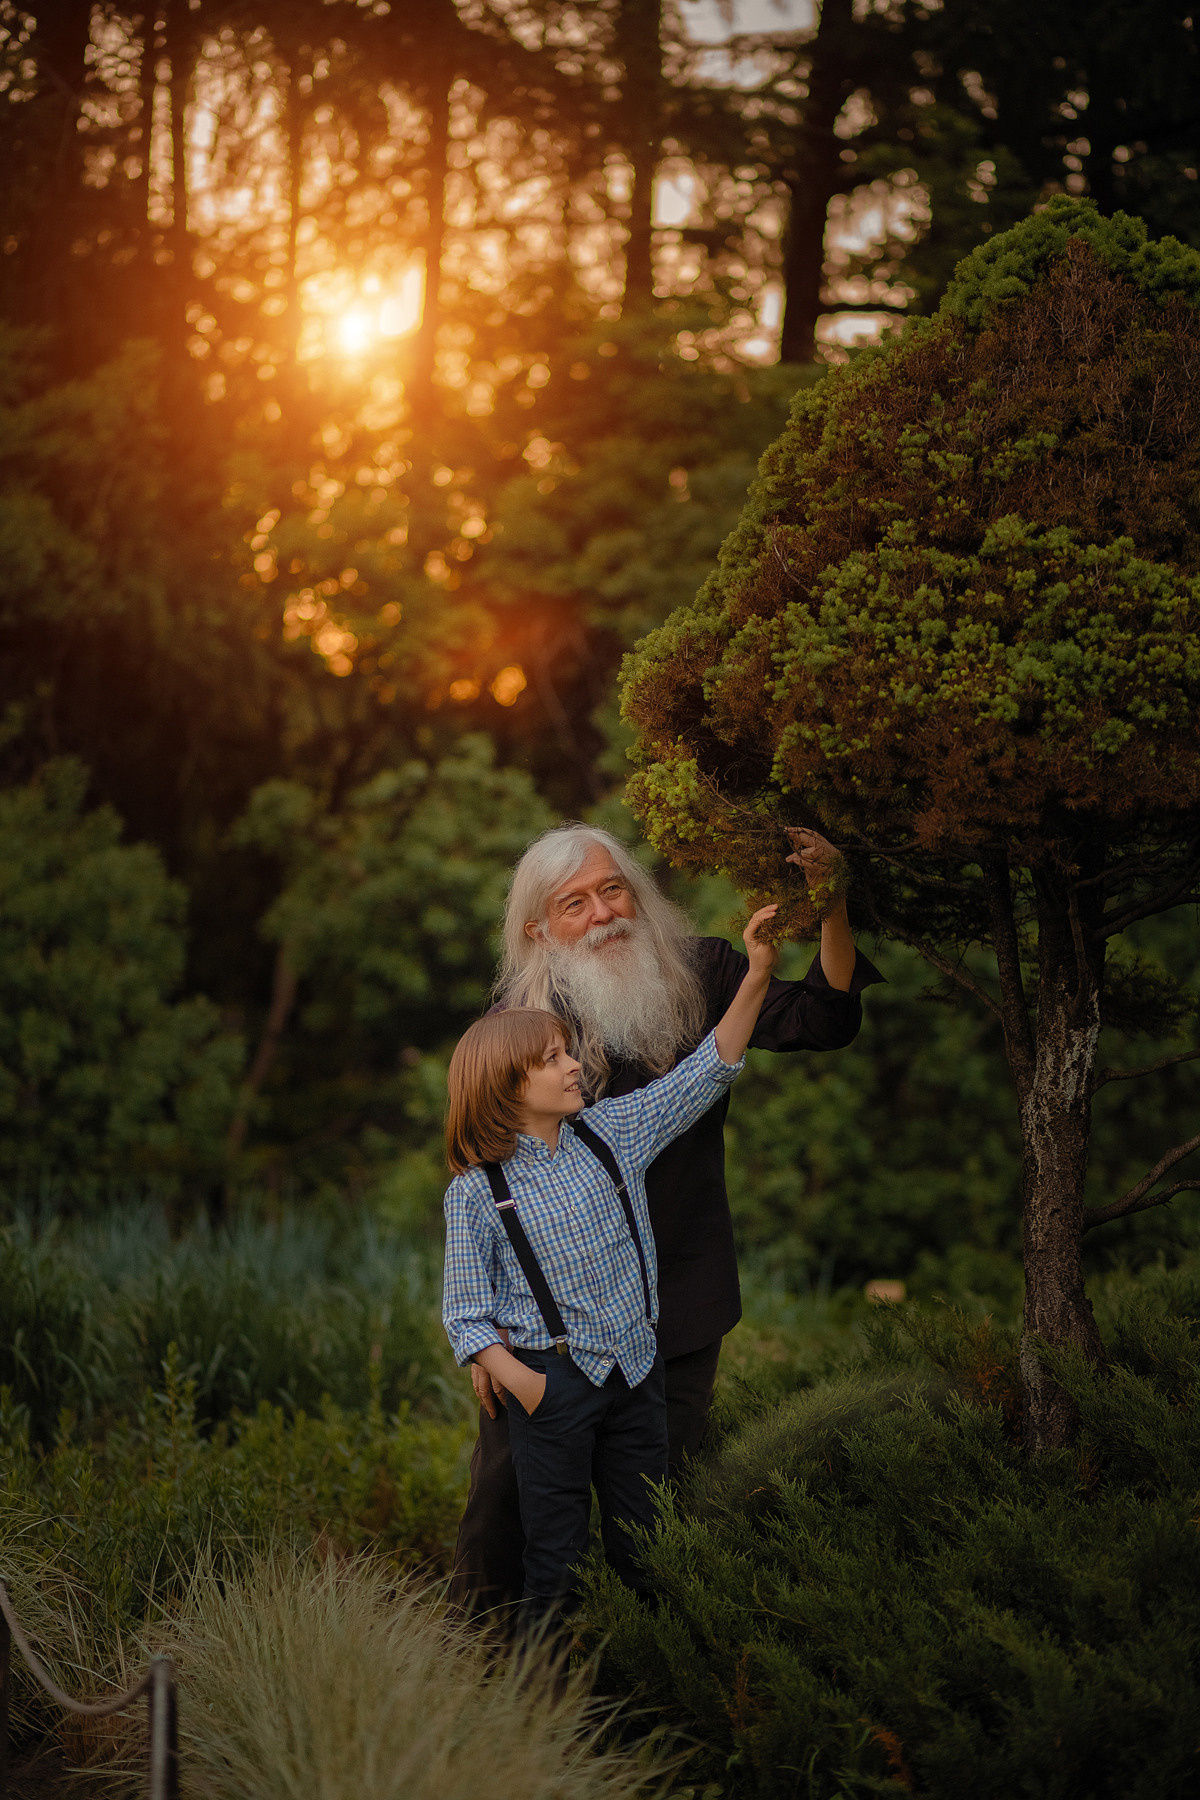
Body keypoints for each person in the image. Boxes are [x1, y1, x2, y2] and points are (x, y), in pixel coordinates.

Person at [448, 822, 882, 1619]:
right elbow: (480, 1163)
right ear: (538, 930)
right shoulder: (521, 1023)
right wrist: (485, 1339)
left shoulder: (707, 969)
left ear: (638, 893)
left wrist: (833, 905)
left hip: (674, 1295)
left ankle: (652, 1676)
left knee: (659, 1511)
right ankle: (486, 1672)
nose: (602, 912)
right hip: (543, 1327)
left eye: (613, 889)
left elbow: (827, 1019)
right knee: (507, 1513)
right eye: (573, 903)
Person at [441, 905, 781, 1632]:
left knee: (647, 1544)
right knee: (553, 1557)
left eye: (569, 1052)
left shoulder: (609, 1133)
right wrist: (528, 1384)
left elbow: (706, 1074)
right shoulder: (478, 1192)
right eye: (555, 1059)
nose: (575, 1067)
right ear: (505, 1085)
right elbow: (465, 1315)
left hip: (637, 1375)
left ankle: (648, 1682)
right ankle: (540, 1700)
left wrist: (755, 978)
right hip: (553, 1389)